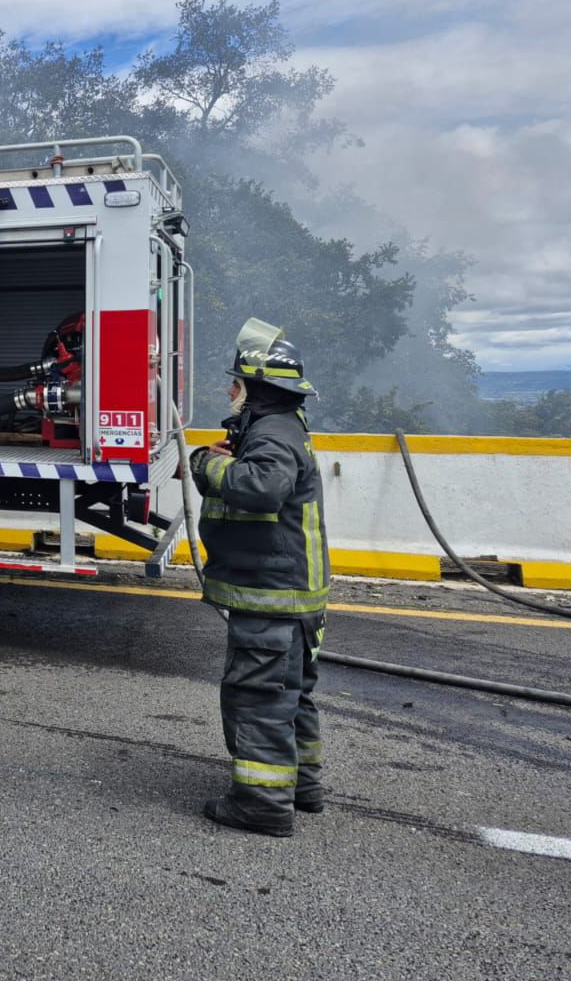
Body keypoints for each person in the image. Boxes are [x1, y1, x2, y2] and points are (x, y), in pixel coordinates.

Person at [188, 317, 329, 837]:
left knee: (258, 698)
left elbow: (264, 487)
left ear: (256, 389)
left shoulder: (271, 432)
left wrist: (205, 465)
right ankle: (301, 787)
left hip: (273, 597)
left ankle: (262, 805)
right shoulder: (280, 428)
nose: (229, 390)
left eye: (236, 383)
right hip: (289, 594)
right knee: (289, 694)